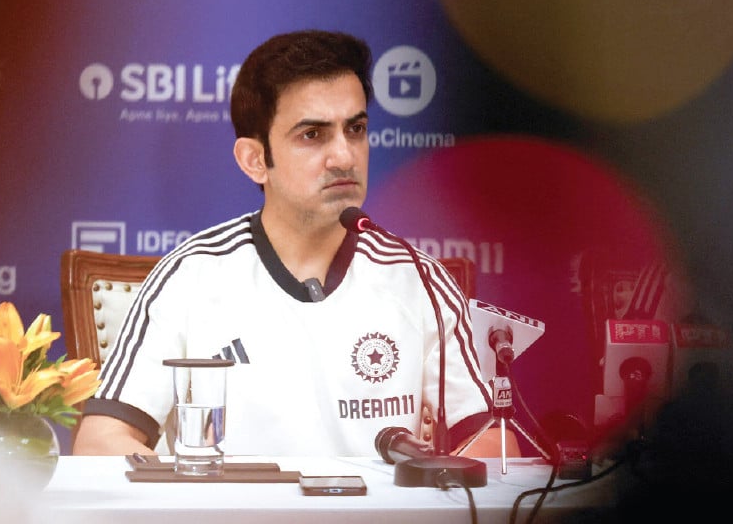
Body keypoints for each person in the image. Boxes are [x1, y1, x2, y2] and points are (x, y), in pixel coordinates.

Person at [72, 29, 503, 458]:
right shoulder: (192, 275)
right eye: (313, 135)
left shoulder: (418, 279)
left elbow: (492, 442)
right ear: (255, 160)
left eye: (355, 129)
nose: (344, 156)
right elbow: (102, 442)